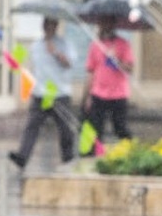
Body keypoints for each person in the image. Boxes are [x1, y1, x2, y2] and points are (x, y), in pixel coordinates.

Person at [9, 16, 77, 169]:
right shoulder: (36, 45)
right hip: (40, 93)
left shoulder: (65, 44)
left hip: (59, 93)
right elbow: (29, 64)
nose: (48, 27)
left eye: (51, 24)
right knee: (32, 126)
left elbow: (69, 64)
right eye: (46, 24)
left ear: (56, 26)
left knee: (65, 129)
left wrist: (56, 53)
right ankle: (22, 157)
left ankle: (68, 158)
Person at [82, 19, 134, 147]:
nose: (105, 26)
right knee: (95, 128)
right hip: (98, 93)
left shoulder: (123, 44)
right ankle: (95, 154)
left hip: (118, 93)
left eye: (108, 23)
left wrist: (116, 59)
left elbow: (130, 68)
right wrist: (86, 96)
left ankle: (130, 150)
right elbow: (91, 71)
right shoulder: (95, 45)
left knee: (120, 127)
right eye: (103, 23)